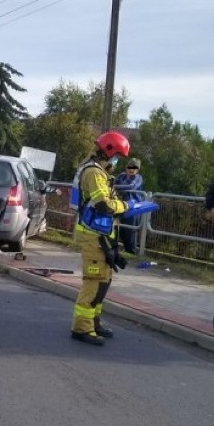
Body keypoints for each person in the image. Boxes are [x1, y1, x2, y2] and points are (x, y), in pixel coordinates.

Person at [70, 130, 132, 347]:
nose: (117, 161)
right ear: (109, 152)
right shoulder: (95, 174)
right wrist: (126, 207)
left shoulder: (101, 173)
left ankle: (93, 322)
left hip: (102, 236)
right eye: (117, 157)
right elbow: (103, 205)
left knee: (104, 281)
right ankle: (81, 328)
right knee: (93, 282)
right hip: (92, 236)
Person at [114, 157, 144, 254]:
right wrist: (117, 186)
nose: (132, 170)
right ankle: (123, 249)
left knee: (131, 230)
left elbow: (131, 186)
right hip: (122, 204)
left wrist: (117, 187)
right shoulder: (121, 176)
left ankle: (131, 251)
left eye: (134, 168)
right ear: (126, 167)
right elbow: (112, 183)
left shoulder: (138, 178)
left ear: (138, 169)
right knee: (121, 228)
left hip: (134, 205)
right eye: (130, 167)